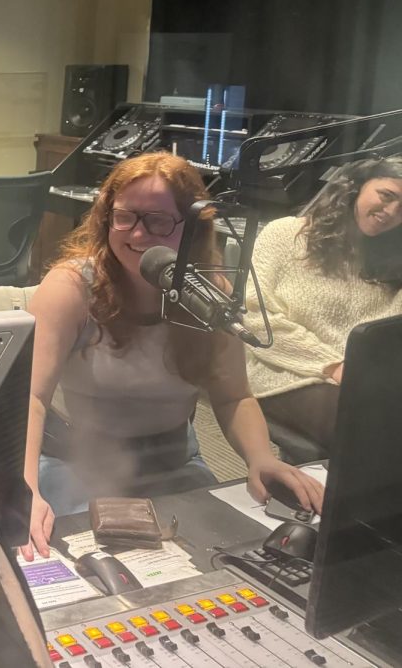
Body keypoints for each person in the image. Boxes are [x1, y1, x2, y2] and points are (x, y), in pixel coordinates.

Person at [20, 152, 324, 560]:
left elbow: (233, 395)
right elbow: (30, 399)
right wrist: (24, 491)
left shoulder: (210, 294)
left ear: (194, 229)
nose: (139, 235)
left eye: (159, 221)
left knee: (219, 558)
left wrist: (261, 457)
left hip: (172, 463)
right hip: (77, 465)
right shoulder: (71, 288)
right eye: (125, 216)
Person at [245, 156, 402, 449]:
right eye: (387, 196)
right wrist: (331, 365)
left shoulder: (394, 259)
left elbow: (390, 332)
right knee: (371, 425)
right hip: (287, 373)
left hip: (365, 382)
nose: (392, 211)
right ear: (357, 186)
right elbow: (258, 321)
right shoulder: (286, 234)